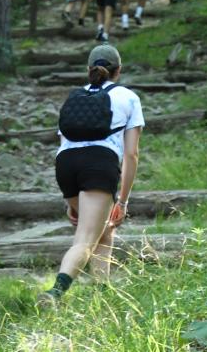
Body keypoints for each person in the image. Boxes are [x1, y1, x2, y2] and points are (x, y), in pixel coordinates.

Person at [41, 44, 144, 304]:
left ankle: (102, 294)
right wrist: (123, 200)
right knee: (85, 239)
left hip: (65, 165)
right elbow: (131, 154)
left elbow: (64, 143)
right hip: (99, 163)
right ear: (118, 70)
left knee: (103, 230)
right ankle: (55, 293)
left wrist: (69, 201)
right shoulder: (128, 97)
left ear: (89, 70)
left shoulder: (74, 97)